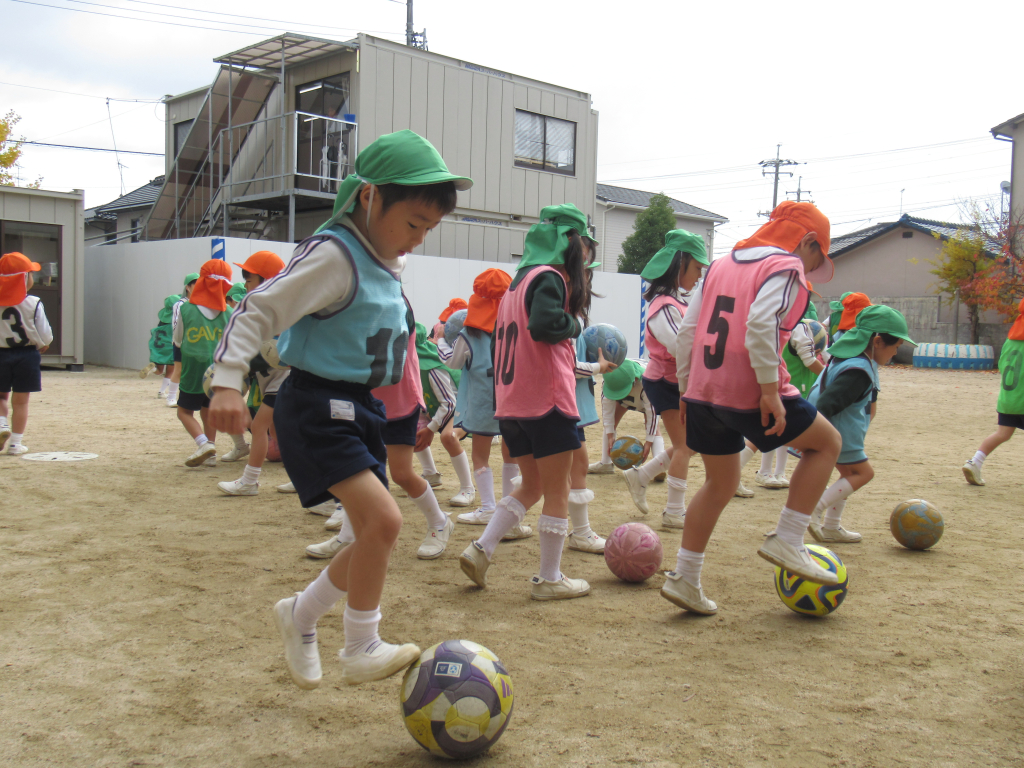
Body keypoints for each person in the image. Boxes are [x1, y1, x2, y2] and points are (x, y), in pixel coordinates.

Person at [208, 129, 471, 688]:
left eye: (429, 228)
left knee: (372, 533)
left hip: (360, 406)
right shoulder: (334, 255)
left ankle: (301, 615)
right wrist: (227, 381)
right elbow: (257, 309)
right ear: (370, 197)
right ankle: (360, 645)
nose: (418, 238)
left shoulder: (382, 260)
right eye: (414, 223)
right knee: (384, 520)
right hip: (317, 403)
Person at [666, 201, 843, 615]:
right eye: (816, 257)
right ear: (808, 241)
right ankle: (790, 537)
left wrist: (686, 389)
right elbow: (761, 324)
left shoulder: (720, 265)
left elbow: (688, 332)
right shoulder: (786, 266)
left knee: (719, 483)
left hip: (703, 391)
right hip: (748, 389)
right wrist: (768, 390)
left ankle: (685, 578)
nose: (811, 268)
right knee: (827, 444)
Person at [458, 203, 596, 601]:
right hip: (546, 401)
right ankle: (549, 578)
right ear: (571, 241)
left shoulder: (517, 284)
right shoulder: (550, 276)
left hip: (513, 404)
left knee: (532, 485)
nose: (587, 256)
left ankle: (481, 547)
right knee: (557, 489)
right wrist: (575, 325)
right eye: (585, 245)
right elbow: (545, 324)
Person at [805, 304, 915, 542]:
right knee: (863, 474)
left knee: (847, 475)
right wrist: (815, 436)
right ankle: (814, 507)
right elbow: (827, 403)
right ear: (878, 342)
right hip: (838, 434)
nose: (895, 353)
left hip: (837, 433)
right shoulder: (859, 370)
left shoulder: (847, 357)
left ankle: (832, 526)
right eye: (896, 346)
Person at [621, 229, 707, 530]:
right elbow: (681, 347)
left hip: (674, 382)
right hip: (668, 383)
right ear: (680, 263)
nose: (699, 275)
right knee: (685, 445)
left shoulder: (675, 301)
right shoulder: (665, 306)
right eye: (697, 268)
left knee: (691, 443)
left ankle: (641, 476)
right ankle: (673, 511)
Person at [445, 269, 528, 538]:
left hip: (482, 404)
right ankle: (508, 514)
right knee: (510, 454)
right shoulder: (518, 328)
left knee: (480, 455)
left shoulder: (468, 334)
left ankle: (488, 508)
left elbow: (454, 363)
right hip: (511, 401)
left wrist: (439, 344)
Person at [217, 251, 287, 496]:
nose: (245, 284)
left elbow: (281, 349)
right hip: (269, 380)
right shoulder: (257, 309)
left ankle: (249, 481)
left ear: (266, 280)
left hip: (282, 380)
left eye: (249, 278)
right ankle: (304, 477)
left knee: (259, 427)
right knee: (278, 431)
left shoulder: (282, 309)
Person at [175, 260, 235, 467]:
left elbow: (178, 339)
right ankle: (211, 452)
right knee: (208, 409)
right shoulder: (229, 313)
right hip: (218, 369)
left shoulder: (186, 309)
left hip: (193, 367)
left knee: (184, 411)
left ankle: (203, 444)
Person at [411, 321, 476, 505]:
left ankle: (468, 488)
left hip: (463, 406)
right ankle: (430, 473)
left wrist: (431, 428)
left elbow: (449, 403)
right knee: (413, 427)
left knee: (448, 437)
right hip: (443, 409)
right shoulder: (413, 368)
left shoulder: (432, 368)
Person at [963, 297, 1024, 486]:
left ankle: (975, 462)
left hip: (1008, 400)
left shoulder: (1011, 340)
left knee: (1002, 434)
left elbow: (1003, 365)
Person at [0, 252, 53, 455]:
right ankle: (15, 444)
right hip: (27, 356)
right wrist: (44, 344)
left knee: (1, 396)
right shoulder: (34, 302)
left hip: (1, 354)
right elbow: (45, 334)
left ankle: (1, 424)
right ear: (23, 278)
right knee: (21, 401)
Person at [587, 358, 664, 475]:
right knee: (612, 422)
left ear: (635, 381)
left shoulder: (649, 384)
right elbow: (607, 414)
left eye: (621, 391)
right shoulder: (610, 382)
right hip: (624, 400)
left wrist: (648, 442)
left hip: (644, 399)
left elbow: (652, 416)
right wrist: (610, 436)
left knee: (654, 428)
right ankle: (606, 464)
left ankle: (659, 467)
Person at [167, 272, 200, 407]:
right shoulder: (180, 304)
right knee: (179, 370)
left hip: (196, 342)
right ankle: (170, 397)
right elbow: (176, 325)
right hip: (181, 342)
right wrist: (178, 341)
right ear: (188, 287)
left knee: (193, 371)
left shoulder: (199, 304)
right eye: (195, 284)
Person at [141, 294, 180, 398]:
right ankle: (161, 392)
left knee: (159, 371)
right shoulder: (175, 322)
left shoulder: (161, 323)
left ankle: (153, 368)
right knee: (170, 372)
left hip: (159, 348)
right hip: (169, 348)